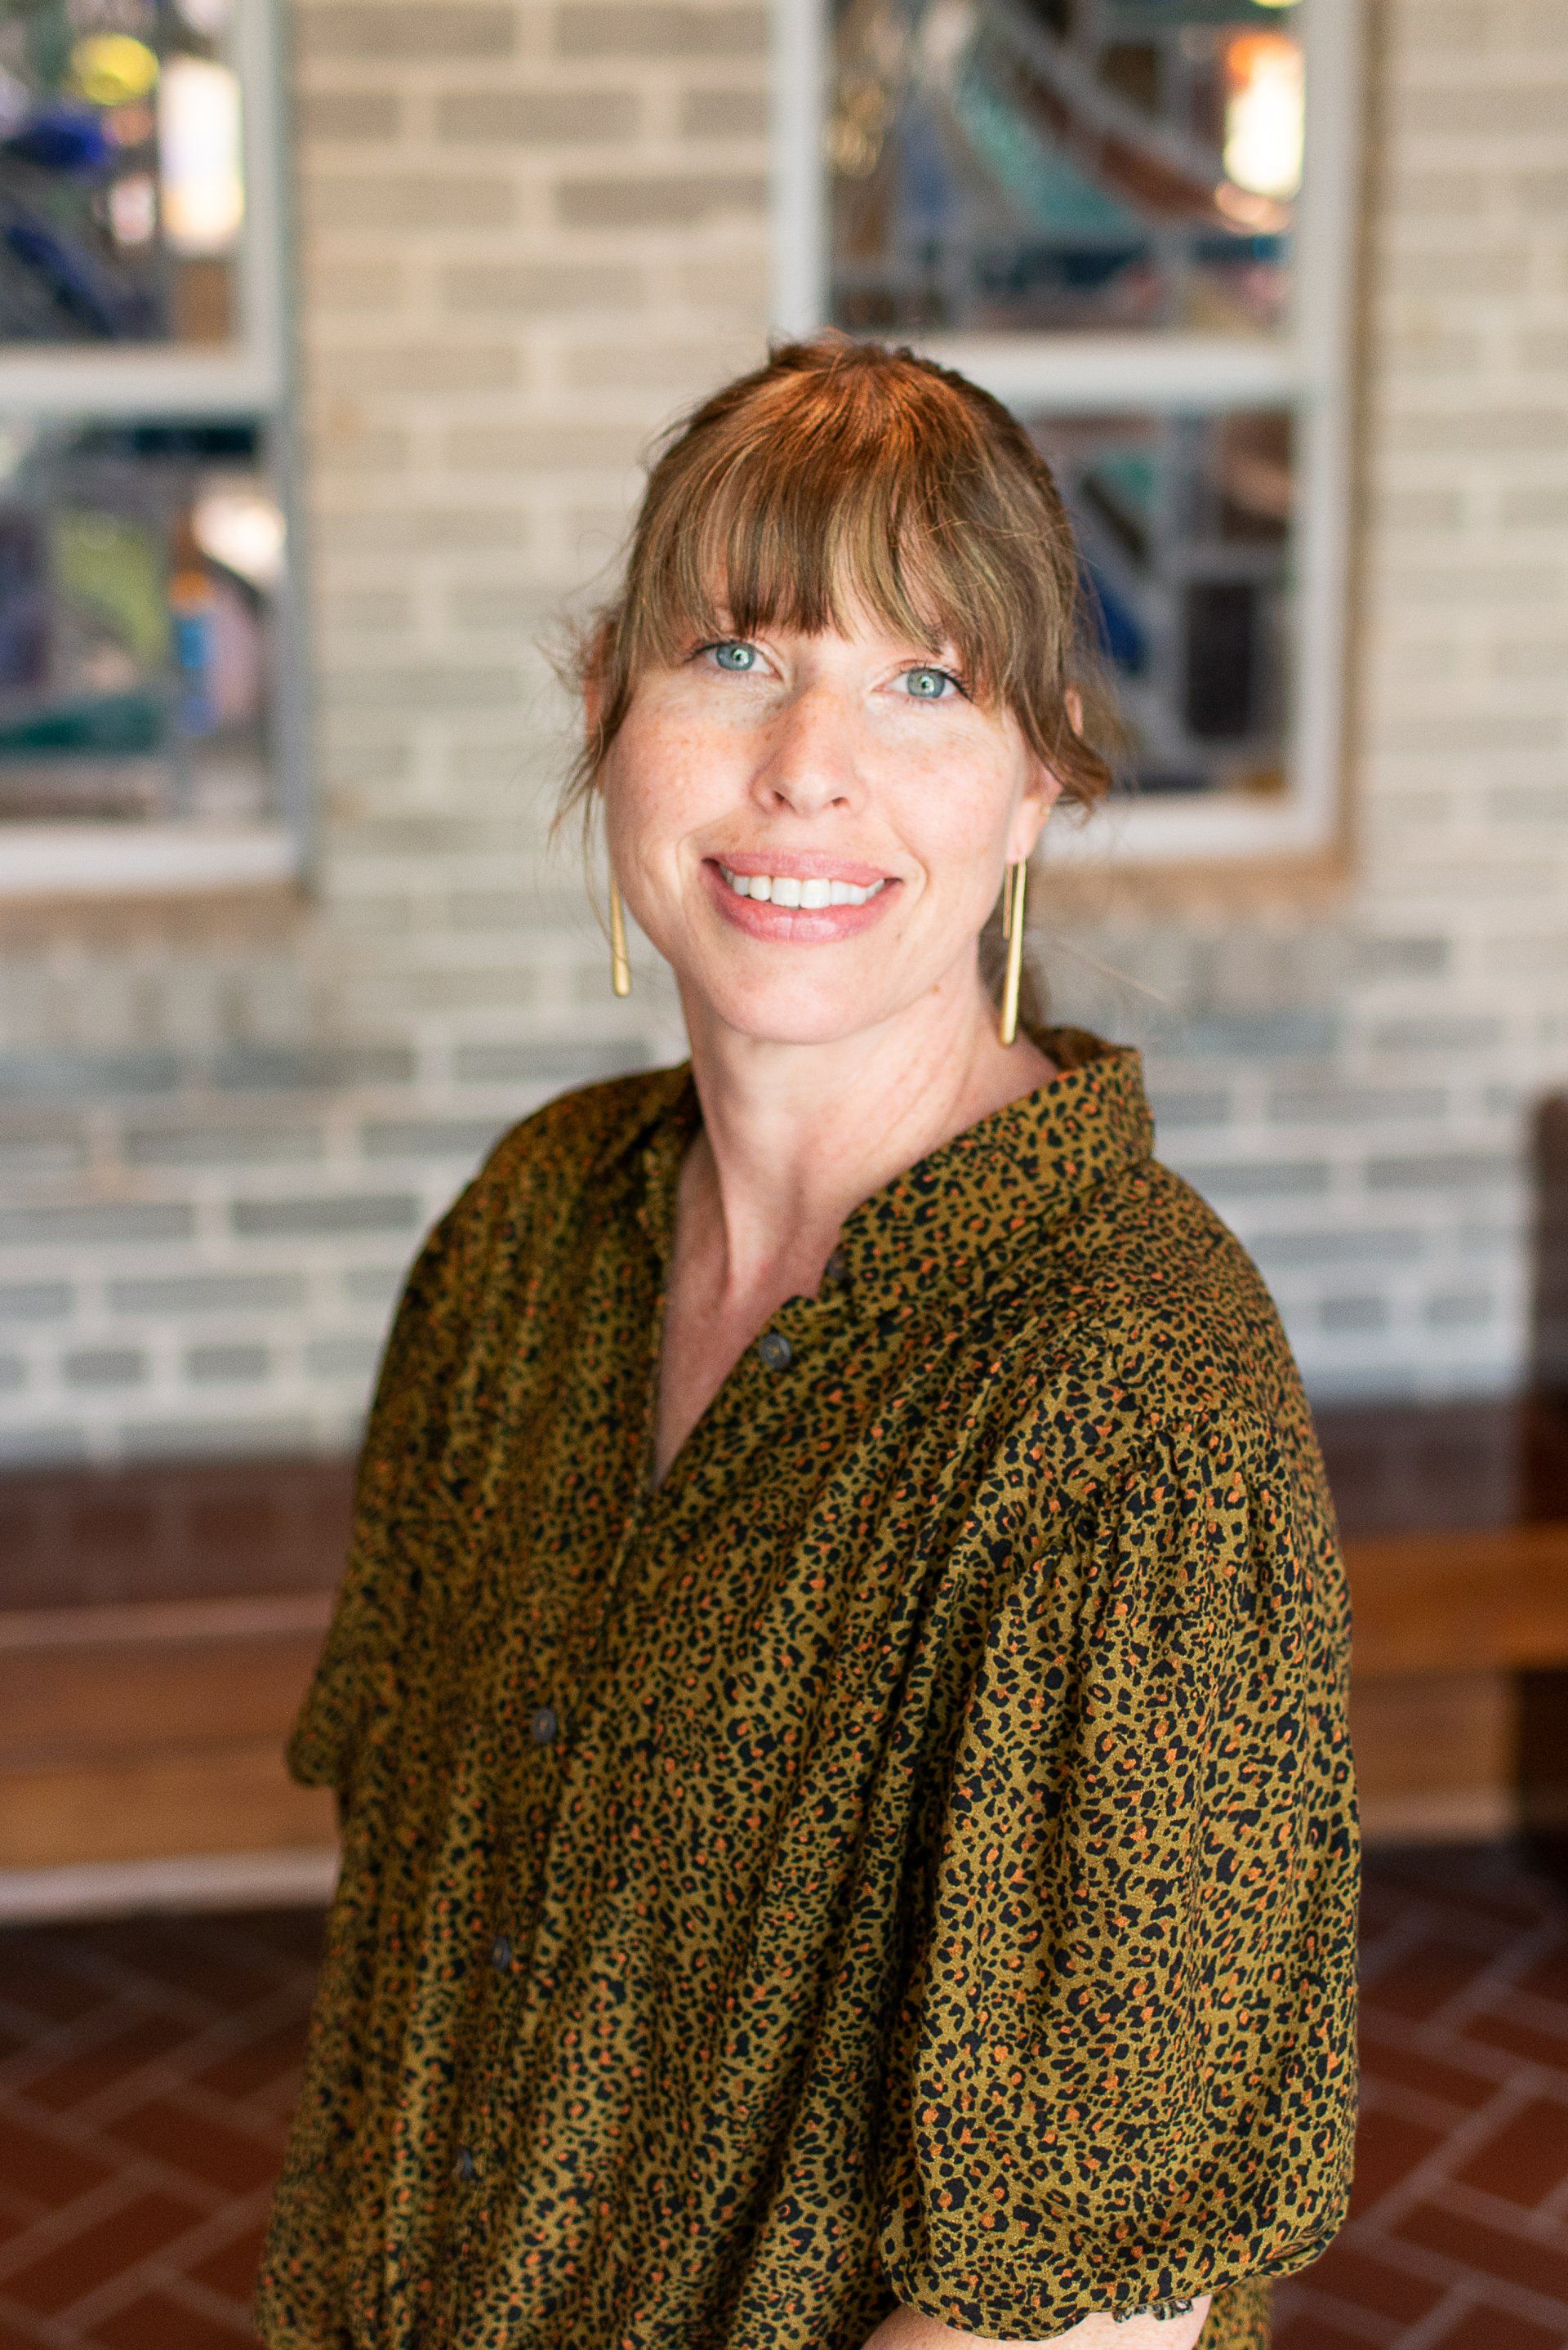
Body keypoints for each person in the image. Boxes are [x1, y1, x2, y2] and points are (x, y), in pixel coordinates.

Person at [257, 337, 1358, 2350]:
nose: (806, 768)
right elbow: (407, 1940)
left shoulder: (1138, 1391)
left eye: (924, 681)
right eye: (736, 654)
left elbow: (1083, 2310)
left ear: (1042, 777)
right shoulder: (533, 1229)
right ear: (608, 711)